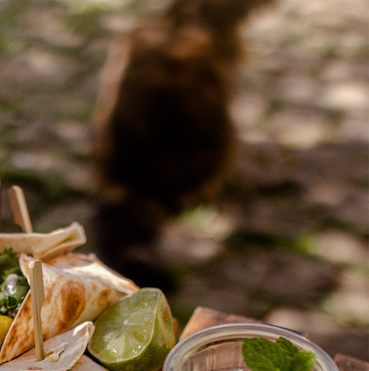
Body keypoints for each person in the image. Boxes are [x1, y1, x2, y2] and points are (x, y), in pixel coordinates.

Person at [93, 0, 274, 289]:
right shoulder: (211, 44)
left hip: (124, 166)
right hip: (188, 174)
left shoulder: (152, 34)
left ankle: (132, 223)